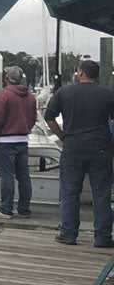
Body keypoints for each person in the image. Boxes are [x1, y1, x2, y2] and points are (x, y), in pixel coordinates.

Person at [44, 59, 114, 247]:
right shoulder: (108, 93)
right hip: (100, 148)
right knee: (102, 193)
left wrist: (63, 136)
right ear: (96, 75)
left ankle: (68, 233)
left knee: (70, 192)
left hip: (73, 147)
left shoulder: (65, 91)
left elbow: (48, 116)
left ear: (81, 73)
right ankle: (102, 236)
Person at [0, 65, 37, 217]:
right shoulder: (30, 97)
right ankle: (24, 208)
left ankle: (5, 209)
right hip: (23, 139)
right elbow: (33, 119)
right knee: (23, 175)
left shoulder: (3, 95)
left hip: (4, 140)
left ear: (6, 78)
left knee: (7, 175)